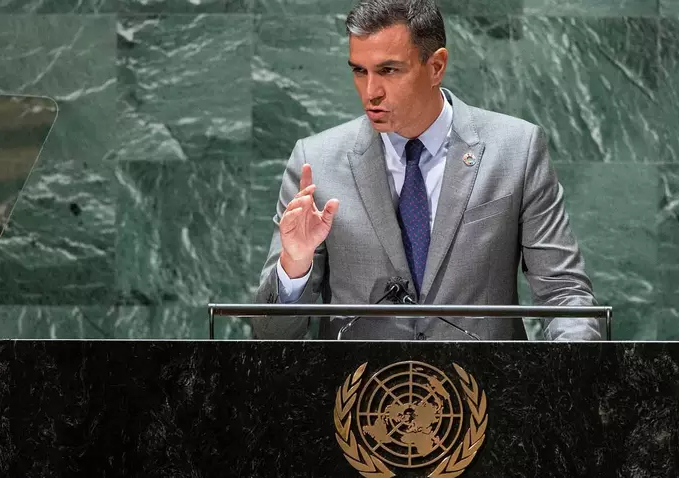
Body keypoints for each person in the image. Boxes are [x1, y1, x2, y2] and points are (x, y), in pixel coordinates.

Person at [252, 0, 601, 341]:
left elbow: (564, 293)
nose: (371, 92)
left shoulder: (516, 150)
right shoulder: (315, 162)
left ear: (436, 66)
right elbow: (270, 336)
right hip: (360, 381)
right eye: (359, 71)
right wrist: (295, 264)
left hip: (486, 378)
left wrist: (574, 368)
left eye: (388, 70)